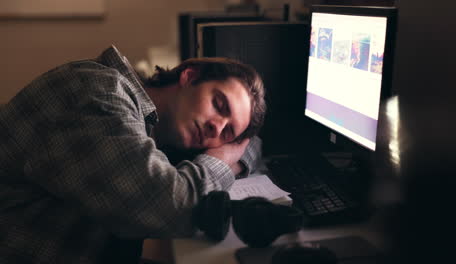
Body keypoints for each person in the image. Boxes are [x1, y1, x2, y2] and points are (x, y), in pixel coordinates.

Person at [0, 45, 266, 263]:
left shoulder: (153, 125)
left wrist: (233, 155)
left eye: (227, 132)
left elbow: (253, 145)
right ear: (189, 76)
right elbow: (172, 208)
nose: (216, 127)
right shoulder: (98, 92)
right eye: (219, 104)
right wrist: (223, 159)